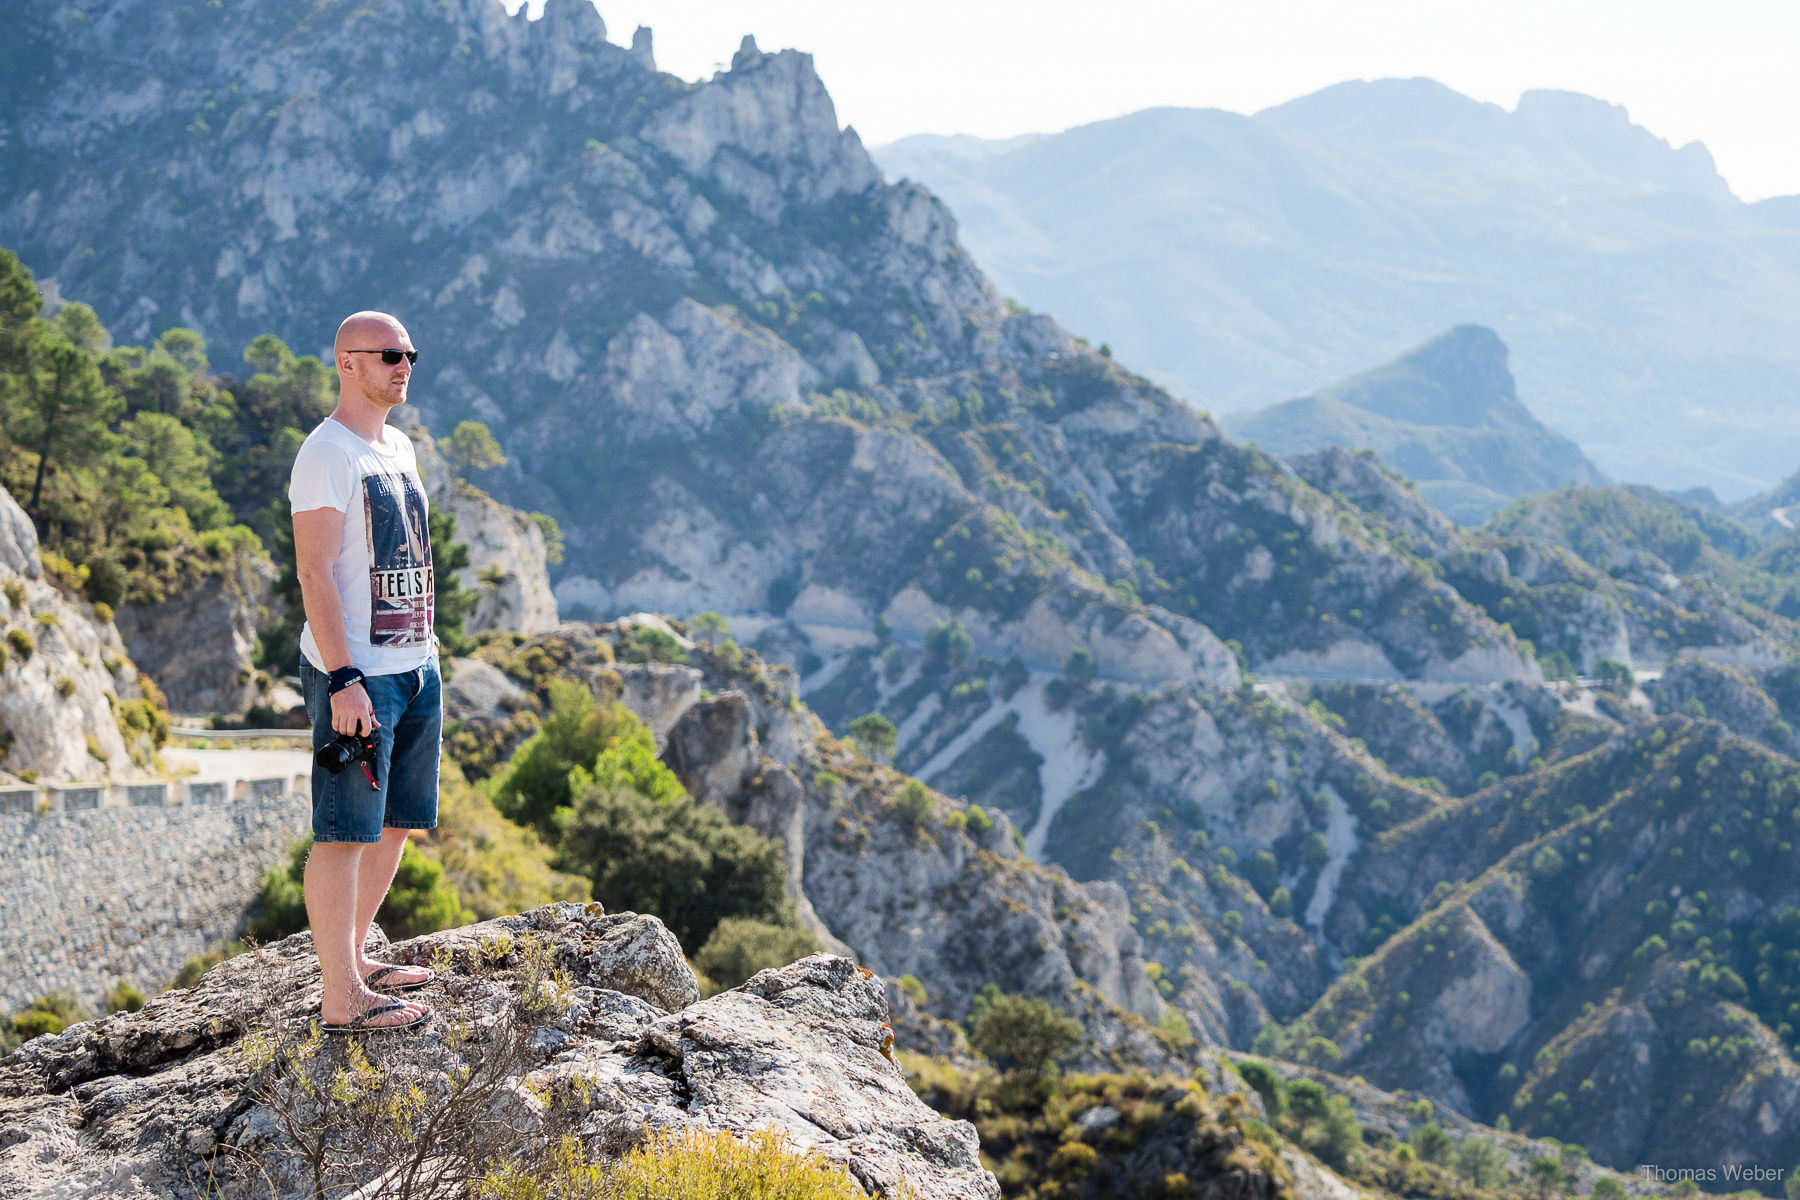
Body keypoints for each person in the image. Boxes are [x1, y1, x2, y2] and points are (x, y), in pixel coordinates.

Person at [289, 310, 441, 1032]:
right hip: (360, 674)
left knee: (395, 825)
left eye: (409, 353)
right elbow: (314, 571)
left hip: (414, 665)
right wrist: (345, 677)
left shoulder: (400, 445)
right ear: (348, 362)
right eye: (388, 354)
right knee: (345, 831)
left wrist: (428, 653)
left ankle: (353, 958)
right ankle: (341, 996)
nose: (403, 364)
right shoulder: (326, 453)